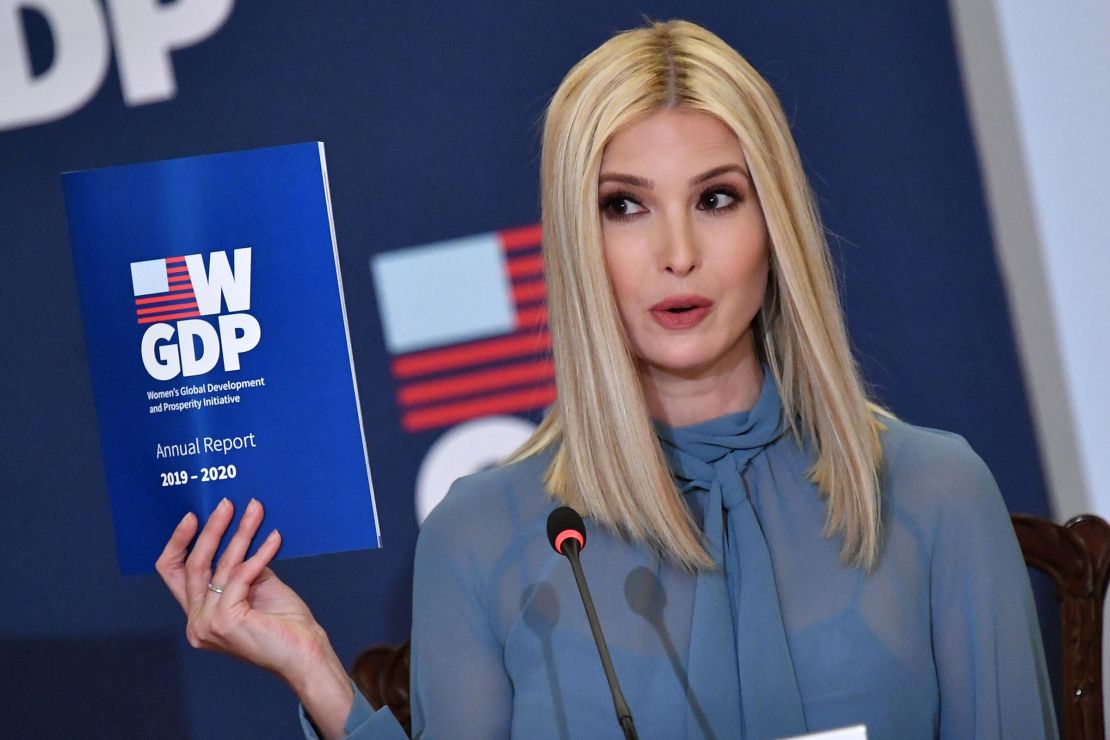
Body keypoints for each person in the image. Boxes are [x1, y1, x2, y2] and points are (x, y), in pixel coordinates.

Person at [156, 19, 1058, 740]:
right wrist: (317, 671)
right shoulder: (483, 536)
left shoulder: (936, 492)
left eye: (717, 198)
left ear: (774, 221)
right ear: (575, 244)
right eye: (623, 206)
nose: (677, 254)